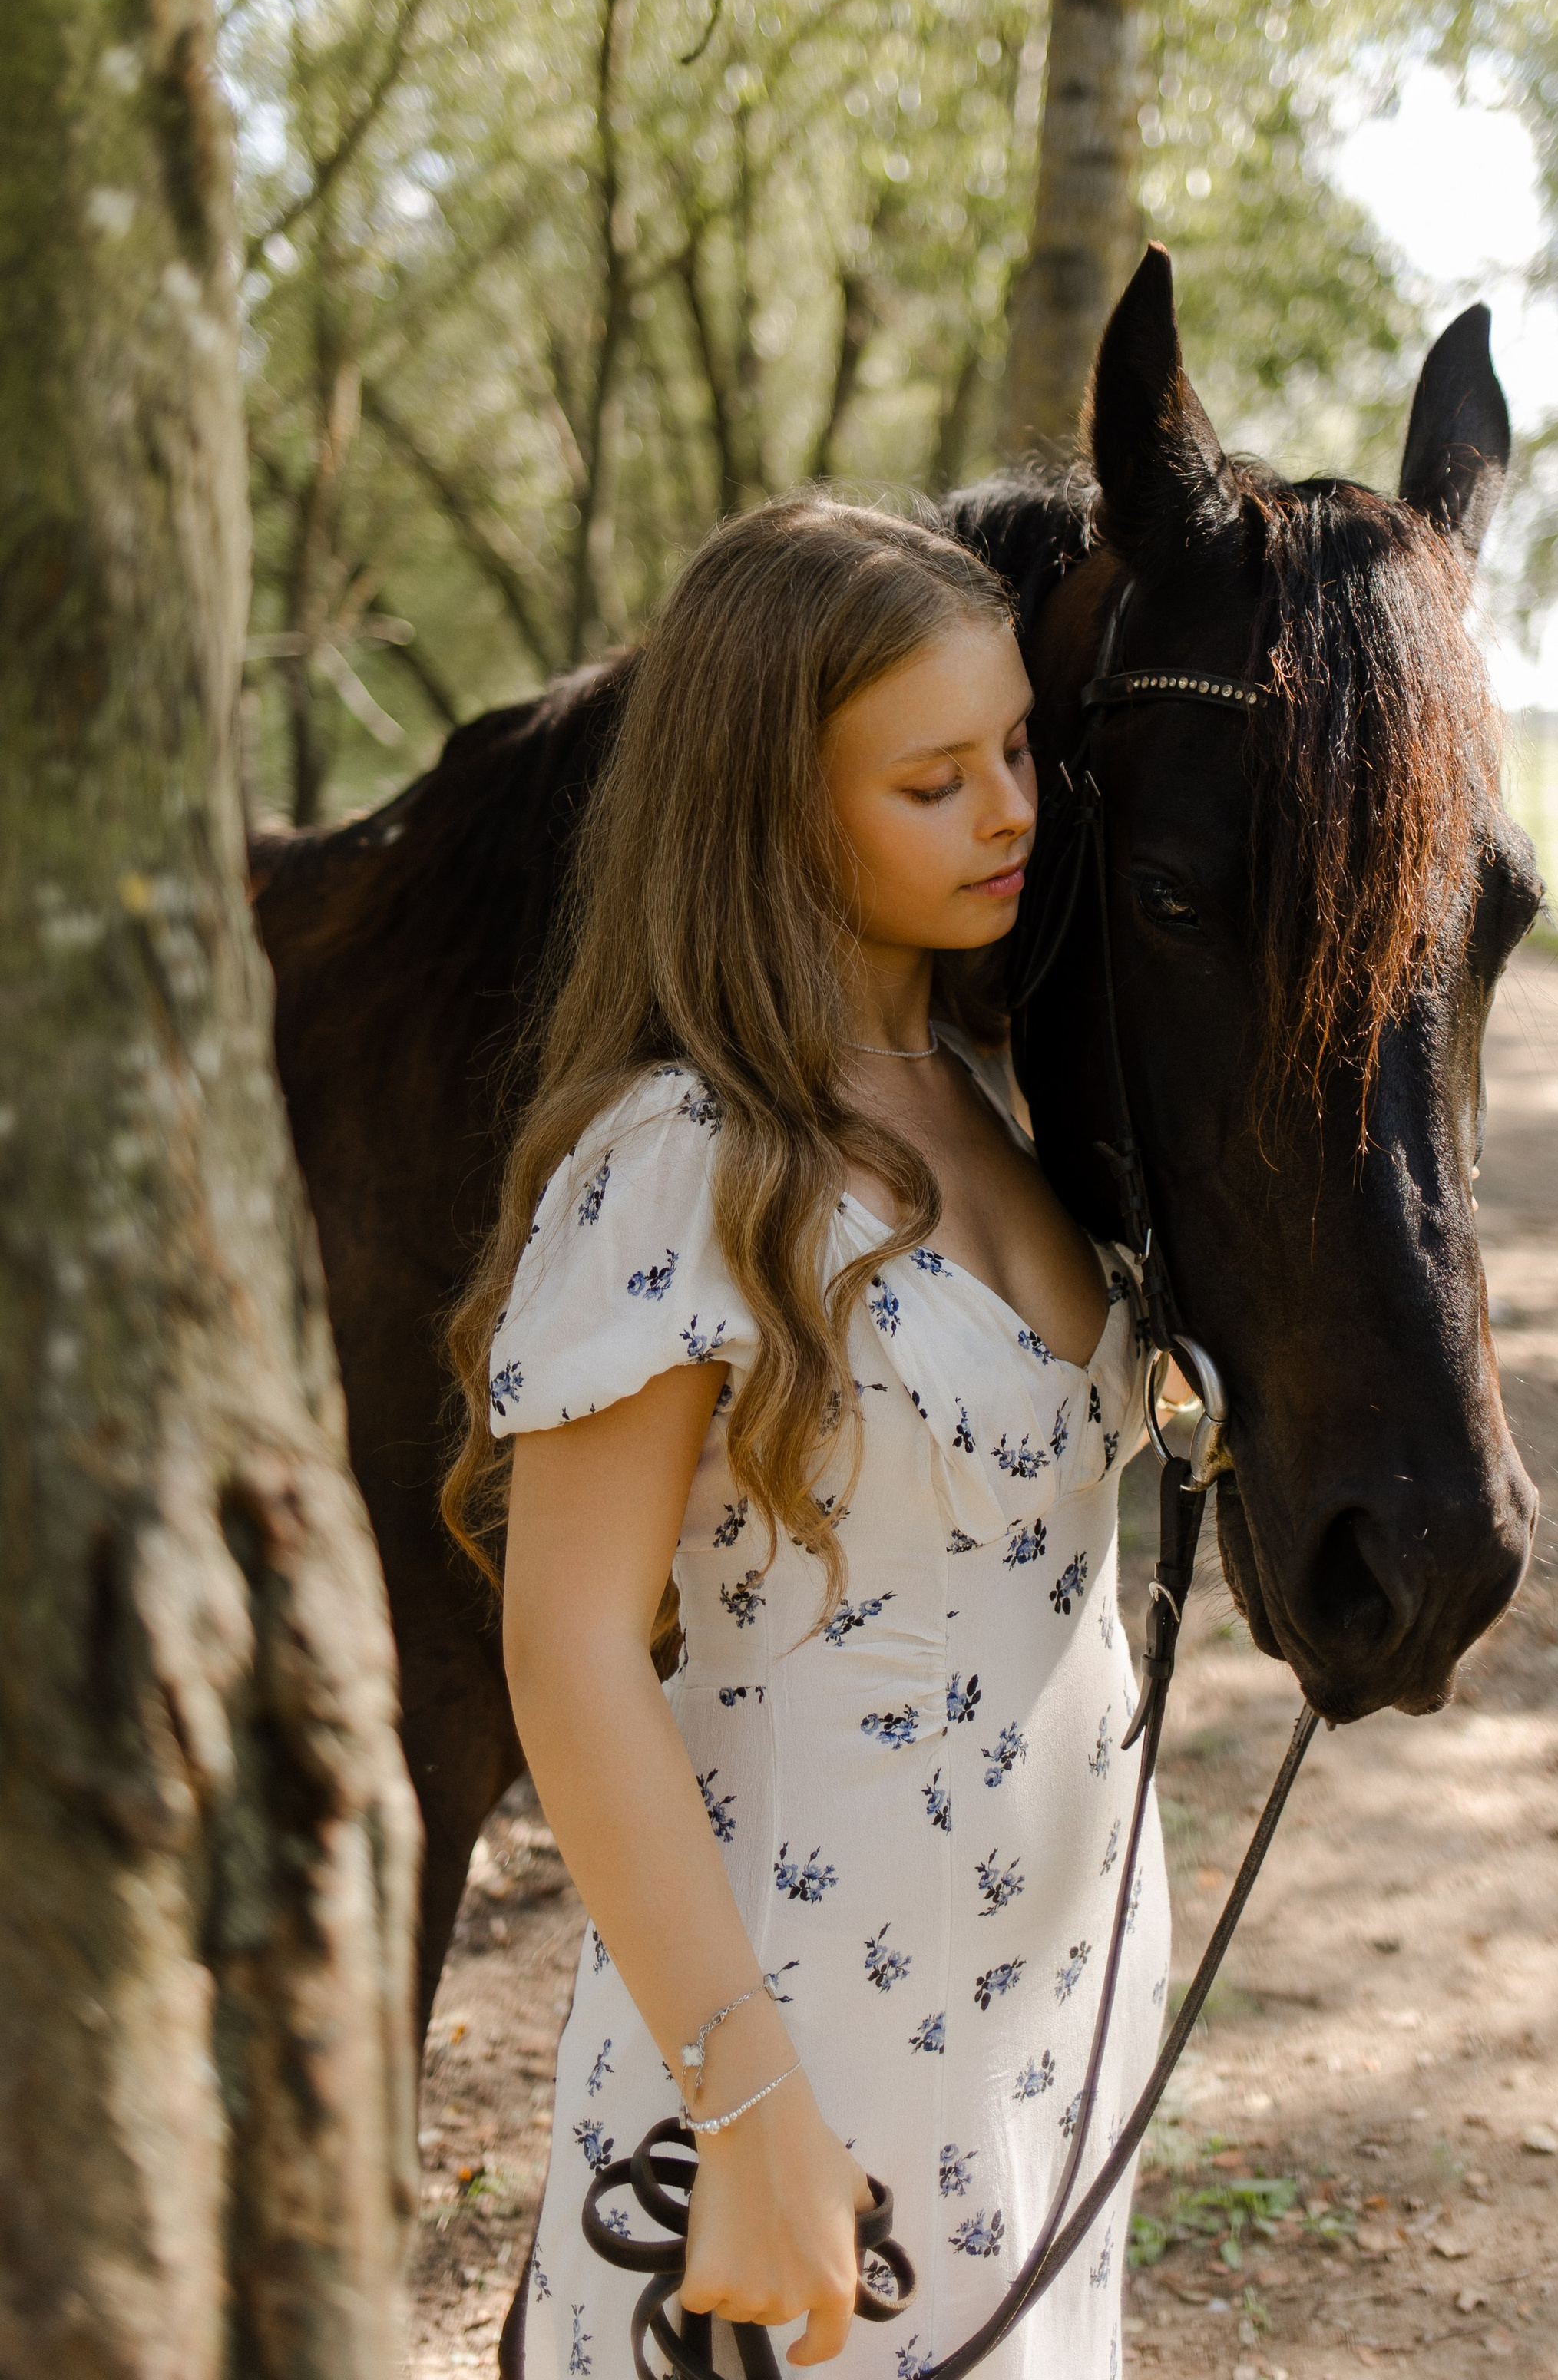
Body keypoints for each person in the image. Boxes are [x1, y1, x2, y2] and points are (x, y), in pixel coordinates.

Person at [445, 497, 1169, 2380]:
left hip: (1041, 1999)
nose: (1010, 811)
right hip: (797, 2022)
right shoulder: (684, 1157)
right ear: (770, 809)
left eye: (1017, 749)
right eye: (933, 780)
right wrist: (749, 2113)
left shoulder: (1000, 1102)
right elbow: (568, 1647)